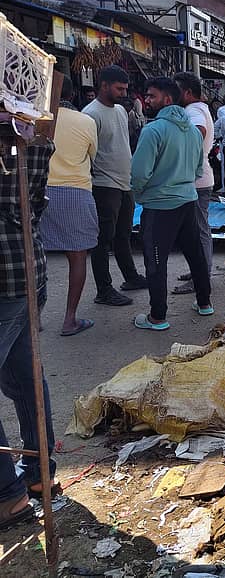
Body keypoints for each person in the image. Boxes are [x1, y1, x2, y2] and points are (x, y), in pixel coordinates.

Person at [0, 137, 59, 529]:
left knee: (24, 376)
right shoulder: (35, 132)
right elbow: (34, 203)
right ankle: (38, 474)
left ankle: (9, 495)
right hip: (24, 267)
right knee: (23, 376)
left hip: (7, 274)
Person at [131, 77, 212, 331]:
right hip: (188, 199)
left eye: (152, 96)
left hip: (160, 205)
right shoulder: (190, 129)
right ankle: (204, 303)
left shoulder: (153, 130)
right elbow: (199, 168)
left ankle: (157, 316)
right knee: (195, 254)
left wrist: (140, 195)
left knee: (156, 262)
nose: (147, 100)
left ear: (167, 99)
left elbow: (139, 173)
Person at [82, 65, 147, 307]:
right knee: (103, 240)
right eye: (119, 88)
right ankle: (104, 290)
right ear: (104, 85)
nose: (123, 93)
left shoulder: (120, 110)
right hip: (103, 185)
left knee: (123, 235)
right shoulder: (90, 114)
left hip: (123, 183)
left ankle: (130, 277)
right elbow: (87, 154)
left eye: (125, 89)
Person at [40, 76, 98, 336]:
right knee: (77, 257)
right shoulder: (86, 121)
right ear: (73, 95)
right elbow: (91, 155)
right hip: (75, 191)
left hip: (37, 190)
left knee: (34, 258)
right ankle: (69, 319)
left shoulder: (35, 119)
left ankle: (34, 317)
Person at [172, 72, 215, 296]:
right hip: (198, 179)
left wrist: (183, 156)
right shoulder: (198, 109)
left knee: (198, 232)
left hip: (197, 181)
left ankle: (201, 277)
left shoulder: (193, 110)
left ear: (187, 93)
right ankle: (198, 271)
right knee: (196, 231)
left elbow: (199, 131)